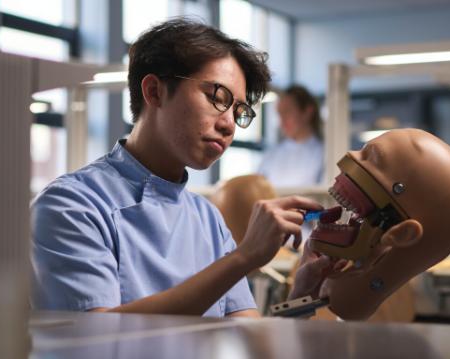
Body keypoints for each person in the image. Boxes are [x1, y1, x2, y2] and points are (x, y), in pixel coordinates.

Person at [30, 19, 335, 317]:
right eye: (217, 97)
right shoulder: (71, 206)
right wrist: (243, 257)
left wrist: (303, 297)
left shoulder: (207, 219)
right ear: (154, 91)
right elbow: (97, 339)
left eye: (239, 111)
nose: (229, 124)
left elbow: (249, 341)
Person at [258, 85, 324, 186]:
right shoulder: (272, 155)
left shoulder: (323, 154)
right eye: (280, 114)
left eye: (287, 112)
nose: (282, 122)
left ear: (307, 112)